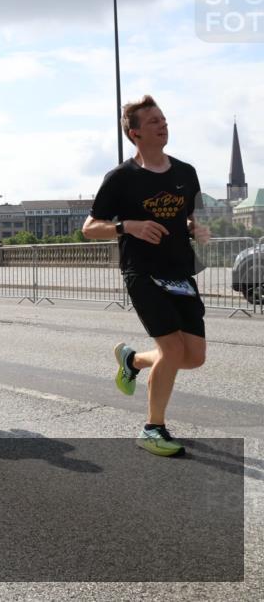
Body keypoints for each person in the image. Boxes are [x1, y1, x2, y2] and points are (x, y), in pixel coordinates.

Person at [82, 95, 210, 457]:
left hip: (180, 271)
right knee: (171, 350)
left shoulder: (186, 172)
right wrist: (129, 226)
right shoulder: (121, 178)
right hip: (143, 273)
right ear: (135, 133)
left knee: (193, 357)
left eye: (164, 118)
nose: (163, 124)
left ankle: (133, 360)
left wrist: (197, 228)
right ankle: (152, 429)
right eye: (153, 121)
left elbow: (191, 217)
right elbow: (89, 228)